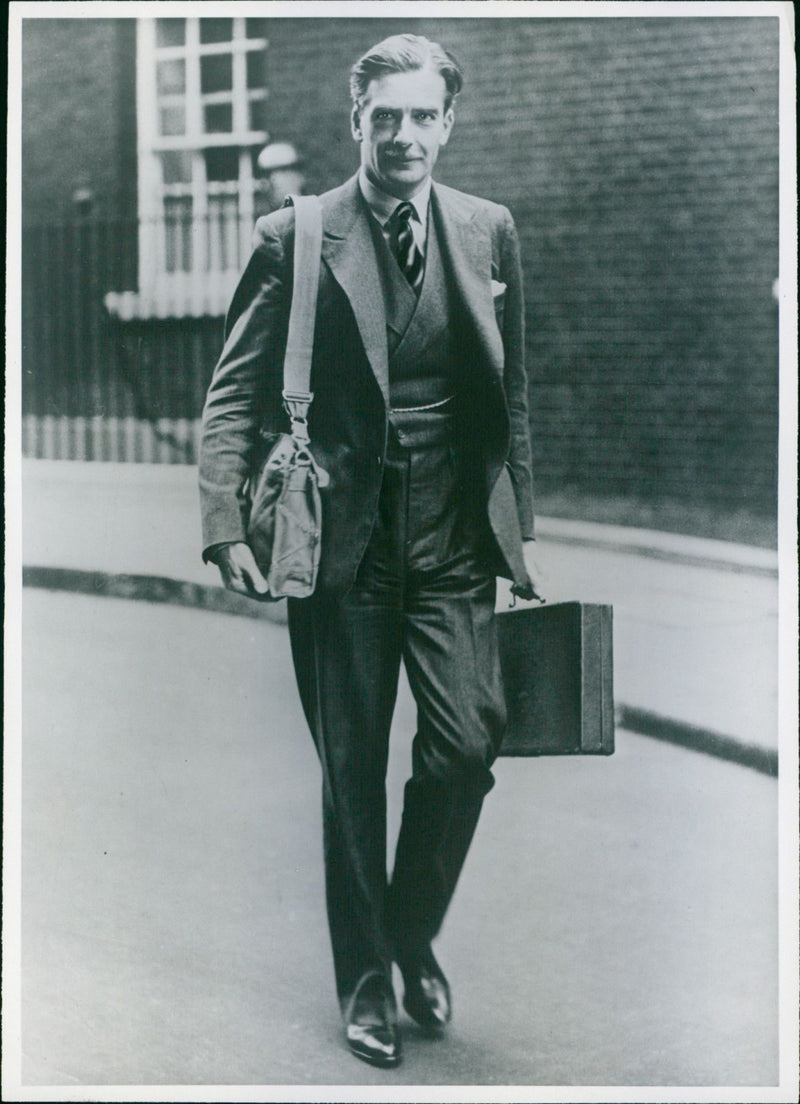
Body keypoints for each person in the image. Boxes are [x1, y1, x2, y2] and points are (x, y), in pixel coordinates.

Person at [199, 33, 543, 1069]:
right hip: (343, 545)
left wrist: (517, 528)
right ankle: (364, 984)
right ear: (357, 124)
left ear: (447, 121)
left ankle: (408, 936)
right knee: (348, 772)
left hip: (450, 541)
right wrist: (223, 518)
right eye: (381, 117)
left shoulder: (487, 232)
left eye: (420, 115)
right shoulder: (296, 235)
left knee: (466, 743)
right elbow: (233, 389)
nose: (402, 135)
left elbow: (508, 394)